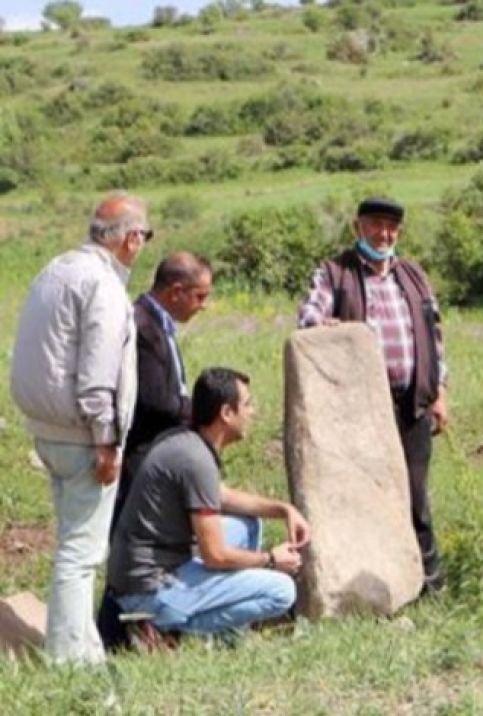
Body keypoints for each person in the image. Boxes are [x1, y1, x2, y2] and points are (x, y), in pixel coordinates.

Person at [9, 193, 150, 666]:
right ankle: (72, 662)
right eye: (143, 237)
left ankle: (79, 642)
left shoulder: (57, 269)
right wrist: (106, 438)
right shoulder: (104, 285)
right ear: (131, 239)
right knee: (81, 552)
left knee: (73, 540)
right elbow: (96, 372)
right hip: (82, 435)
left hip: (47, 428)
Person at [297, 197, 449, 594]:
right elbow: (309, 316)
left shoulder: (413, 275)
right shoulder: (336, 273)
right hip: (360, 410)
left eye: (390, 228)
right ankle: (370, 588)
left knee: (416, 498)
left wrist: (440, 393)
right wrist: (325, 324)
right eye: (375, 226)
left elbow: (434, 338)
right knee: (366, 496)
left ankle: (428, 586)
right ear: (357, 227)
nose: (383, 235)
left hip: (412, 404)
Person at [107, 368, 310, 642]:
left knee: (247, 525)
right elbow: (215, 554)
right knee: (282, 591)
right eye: (247, 404)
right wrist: (271, 560)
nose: (253, 412)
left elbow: (221, 496)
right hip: (150, 588)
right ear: (226, 413)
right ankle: (170, 630)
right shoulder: (196, 460)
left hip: (153, 568)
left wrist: (283, 510)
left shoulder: (186, 442)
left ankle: (222, 631)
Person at [114, 252, 214, 530]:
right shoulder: (144, 326)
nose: (203, 306)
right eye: (200, 296)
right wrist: (203, 411)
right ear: (176, 292)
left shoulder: (157, 323)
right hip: (141, 451)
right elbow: (157, 401)